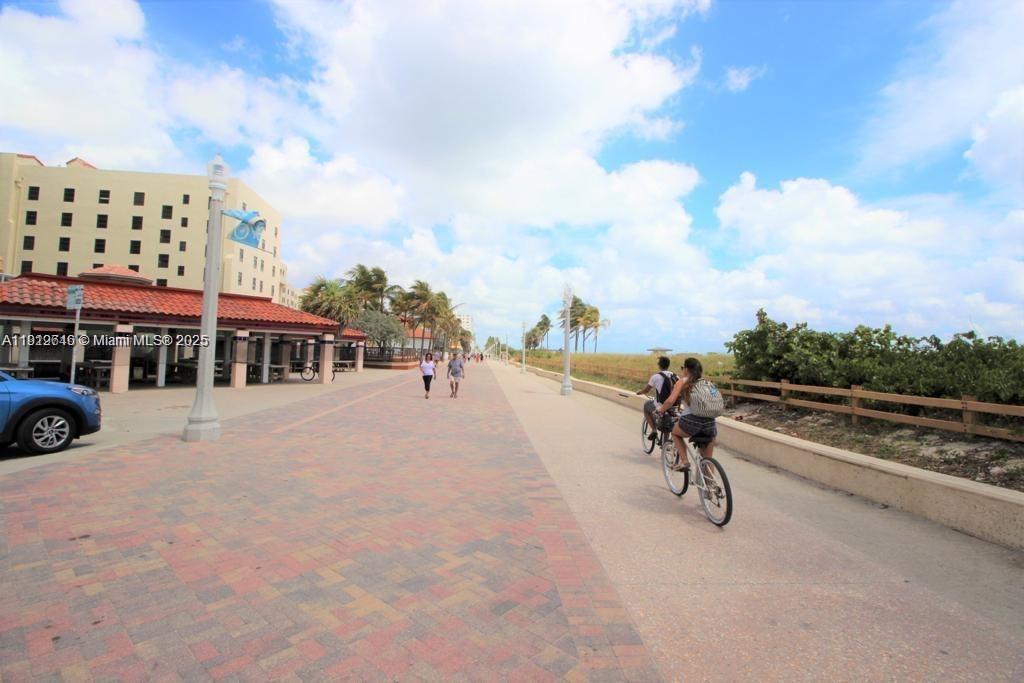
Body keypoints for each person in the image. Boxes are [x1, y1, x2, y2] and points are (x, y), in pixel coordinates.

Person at [655, 357, 717, 469]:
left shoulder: (683, 381)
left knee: (675, 433)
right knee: (708, 462)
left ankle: (684, 461)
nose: (682, 370)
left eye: (683, 368)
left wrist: (661, 409)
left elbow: (670, 401)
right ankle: (711, 479)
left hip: (692, 421)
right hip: (710, 423)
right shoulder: (707, 382)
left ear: (687, 369)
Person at [635, 356, 677, 442]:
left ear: (659, 365)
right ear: (668, 365)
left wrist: (639, 392)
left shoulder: (656, 376)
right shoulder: (675, 376)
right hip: (673, 405)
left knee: (646, 406)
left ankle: (654, 430)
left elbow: (646, 390)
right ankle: (665, 444)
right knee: (667, 422)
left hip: (660, 405)